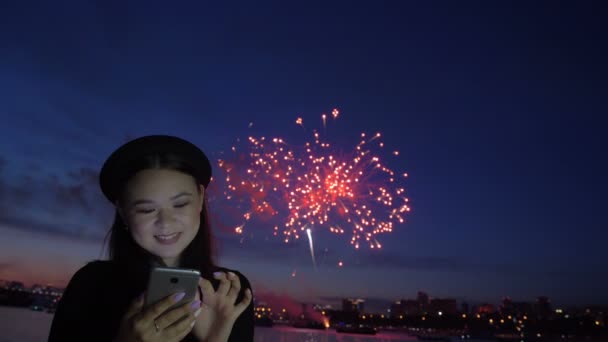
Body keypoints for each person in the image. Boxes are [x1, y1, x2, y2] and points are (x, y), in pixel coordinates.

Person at [48, 135, 254, 342]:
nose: (165, 222)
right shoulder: (90, 285)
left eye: (180, 204)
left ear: (200, 198)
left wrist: (215, 338)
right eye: (147, 210)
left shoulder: (229, 292)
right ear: (122, 210)